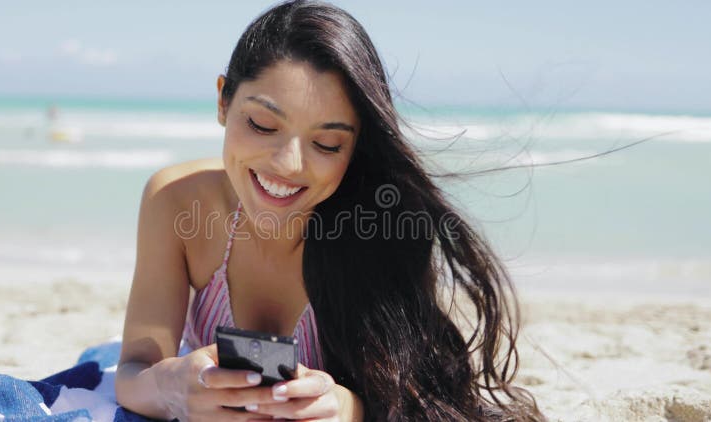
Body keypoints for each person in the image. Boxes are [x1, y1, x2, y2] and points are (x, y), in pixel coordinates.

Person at [115, 1, 545, 421]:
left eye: (327, 144)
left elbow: (414, 392)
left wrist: (343, 408)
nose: (288, 165)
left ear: (356, 146)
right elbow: (134, 372)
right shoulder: (175, 200)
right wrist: (172, 388)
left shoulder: (380, 225)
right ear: (223, 102)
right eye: (263, 125)